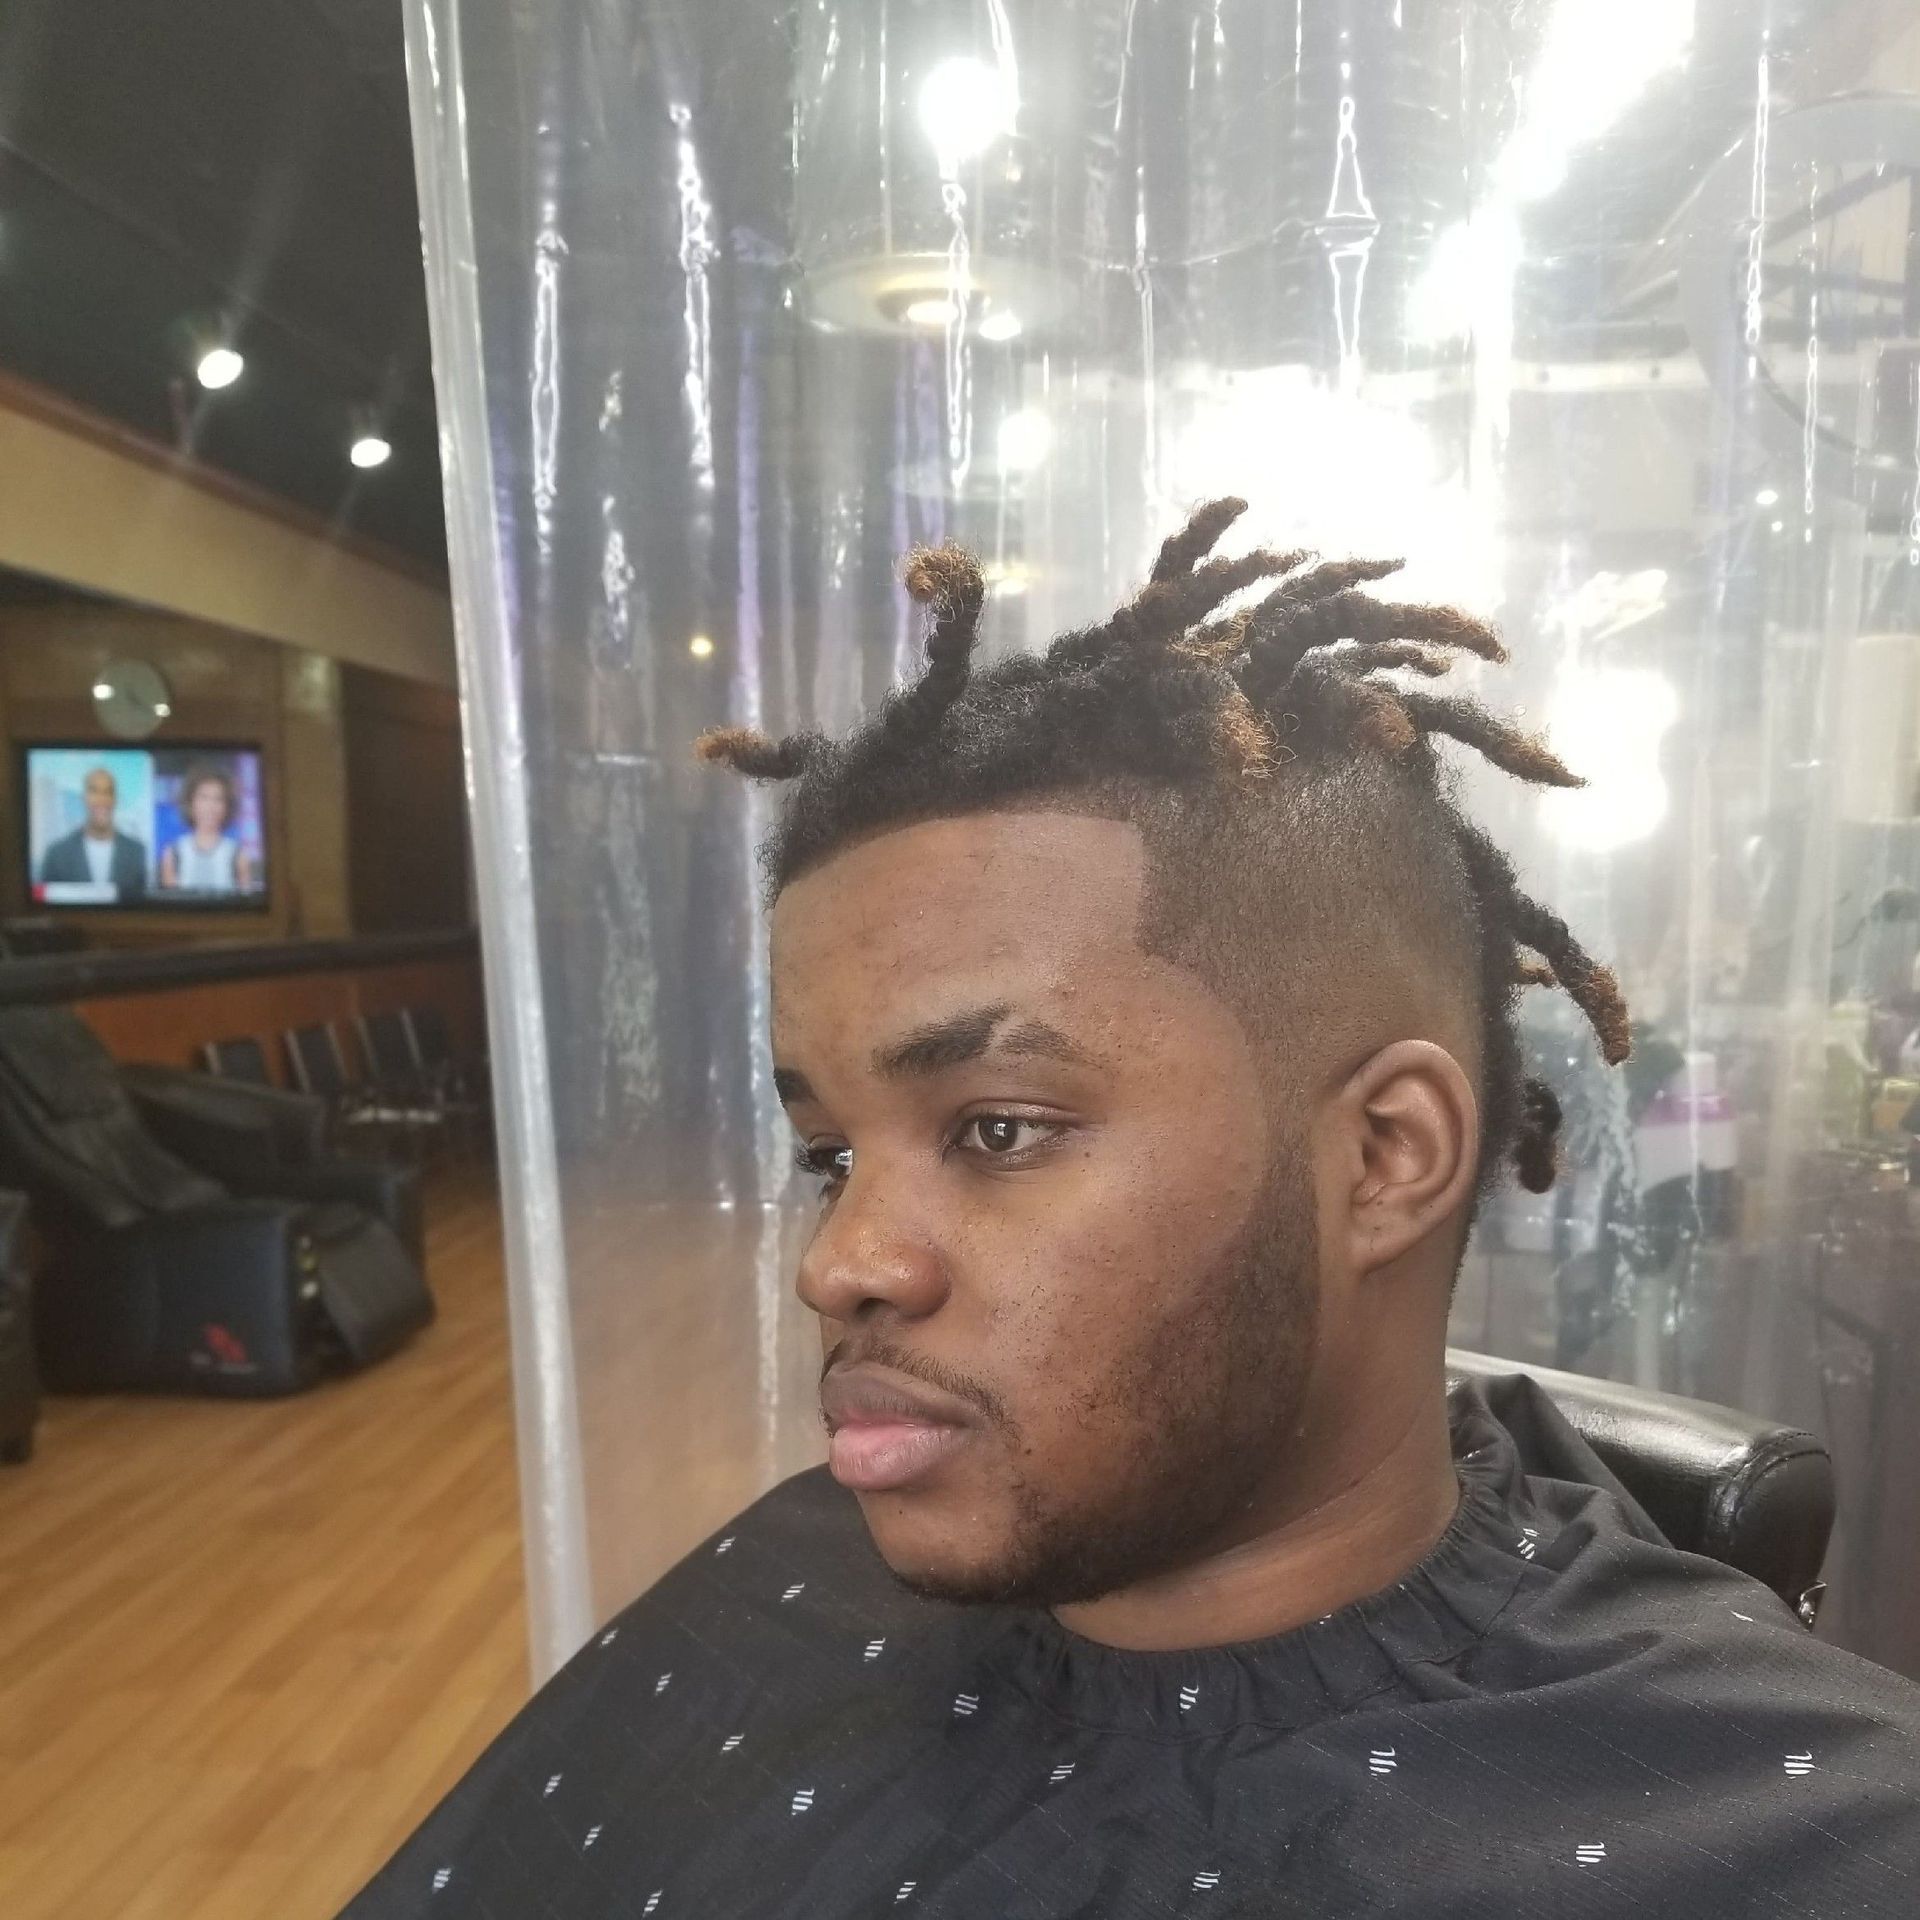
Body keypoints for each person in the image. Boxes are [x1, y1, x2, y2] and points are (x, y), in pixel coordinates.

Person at [344, 502, 1920, 1918]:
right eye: (831, 1153)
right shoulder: (798, 1567)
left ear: (1385, 1155)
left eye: (1001, 1129)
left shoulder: (1825, 1841)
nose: (840, 1264)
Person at [36, 765, 147, 897]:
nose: (101, 799)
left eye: (108, 792)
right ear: (83, 797)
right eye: (94, 791)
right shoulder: (57, 854)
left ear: (115, 799)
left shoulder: (137, 853)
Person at [157, 764, 254, 894]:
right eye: (203, 798)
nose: (210, 807)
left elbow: (246, 904)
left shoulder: (238, 855)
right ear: (191, 803)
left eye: (218, 799)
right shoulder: (173, 853)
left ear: (227, 807)